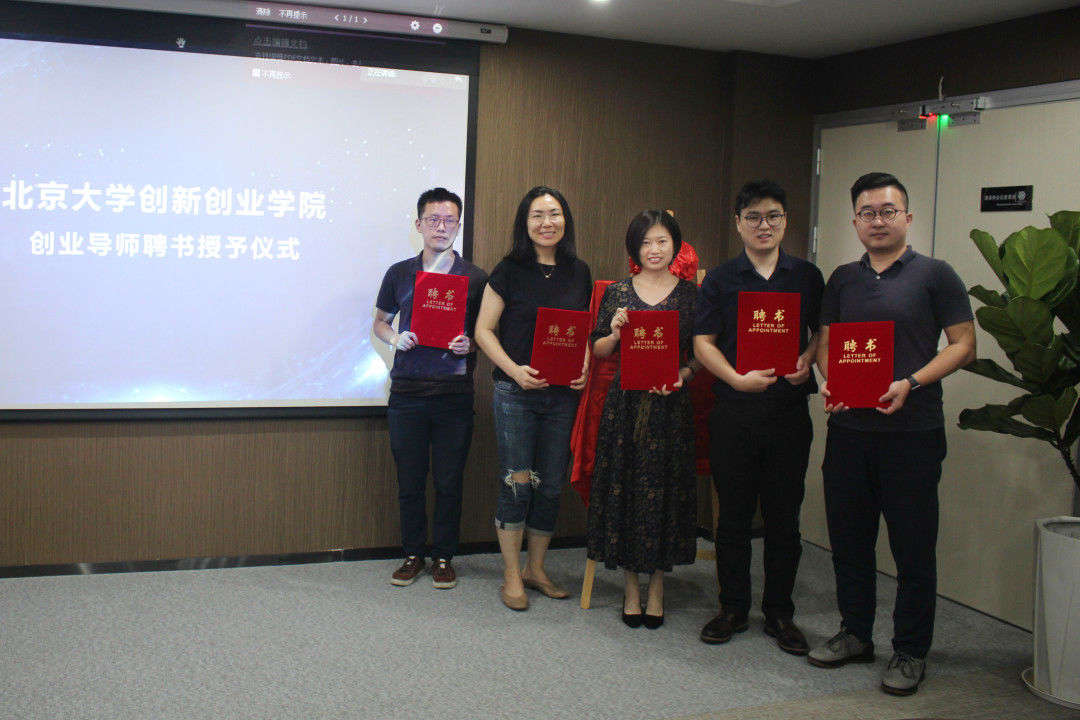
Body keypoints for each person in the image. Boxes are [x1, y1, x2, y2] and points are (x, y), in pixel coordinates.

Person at [808, 172, 975, 696]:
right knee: (849, 541)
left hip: (912, 433)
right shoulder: (842, 279)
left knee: (912, 547)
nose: (877, 221)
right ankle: (855, 633)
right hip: (849, 431)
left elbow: (964, 344)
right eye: (867, 213)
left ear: (907, 216)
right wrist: (831, 381)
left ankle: (910, 650)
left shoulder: (935, 275)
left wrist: (912, 381)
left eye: (887, 211)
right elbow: (826, 342)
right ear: (855, 221)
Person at [693, 180, 824, 654]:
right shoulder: (721, 279)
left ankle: (780, 612)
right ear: (738, 223)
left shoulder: (806, 275)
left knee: (784, 519)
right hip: (734, 413)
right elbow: (702, 342)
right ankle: (732, 607)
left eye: (772, 216)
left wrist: (809, 357)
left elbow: (822, 331)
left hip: (788, 414)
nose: (763, 225)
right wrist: (734, 378)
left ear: (785, 221)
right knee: (732, 518)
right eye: (753, 217)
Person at [474, 185, 592, 611]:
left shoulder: (579, 272)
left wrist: (583, 365)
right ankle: (511, 574)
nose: (547, 223)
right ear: (525, 223)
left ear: (566, 220)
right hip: (515, 393)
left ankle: (536, 569)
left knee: (551, 484)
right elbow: (483, 331)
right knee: (517, 482)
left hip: (562, 397)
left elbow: (583, 330)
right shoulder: (508, 270)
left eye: (554, 214)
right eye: (537, 215)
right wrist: (515, 371)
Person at [586, 210, 699, 629]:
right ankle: (631, 587)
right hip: (626, 407)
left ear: (675, 246)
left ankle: (658, 587)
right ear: (635, 248)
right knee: (627, 491)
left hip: (670, 406)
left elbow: (701, 353)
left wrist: (683, 375)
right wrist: (615, 332)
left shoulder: (690, 295)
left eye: (662, 241)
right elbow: (598, 350)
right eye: (646, 242)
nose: (654, 250)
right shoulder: (617, 292)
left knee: (664, 493)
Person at [373, 187, 487, 590]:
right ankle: (412, 554)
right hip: (407, 394)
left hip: (454, 396)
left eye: (449, 220)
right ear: (419, 224)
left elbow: (485, 332)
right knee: (410, 480)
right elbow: (380, 322)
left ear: (458, 225)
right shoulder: (399, 273)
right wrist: (394, 338)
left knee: (449, 481)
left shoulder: (475, 278)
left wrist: (470, 343)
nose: (441, 227)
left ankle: (443, 557)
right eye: (433, 220)